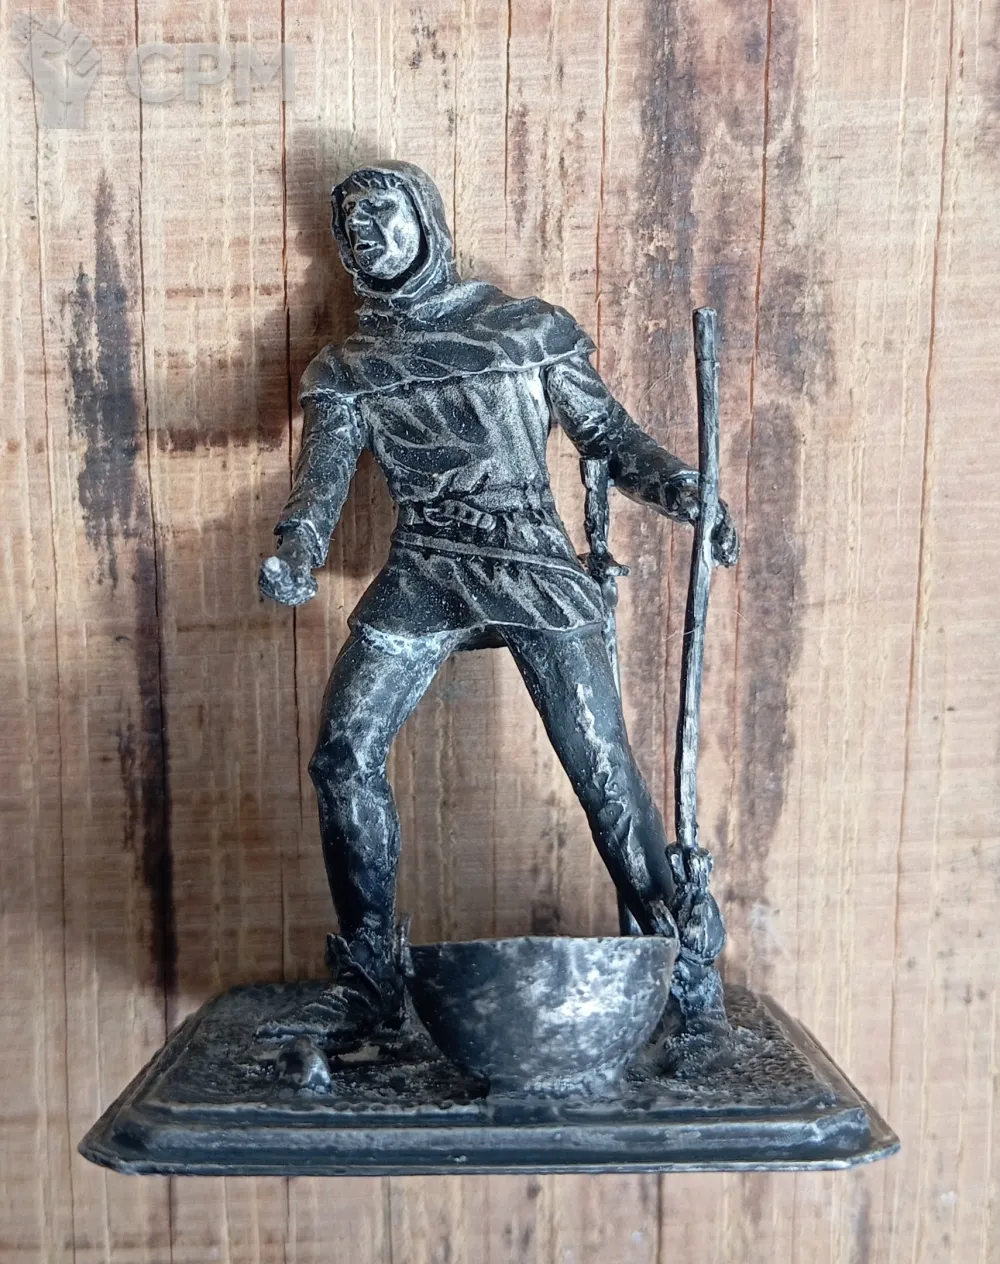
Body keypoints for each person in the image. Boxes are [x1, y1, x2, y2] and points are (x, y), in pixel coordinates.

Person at [259, 161, 738, 1046]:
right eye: (351, 227)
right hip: (425, 568)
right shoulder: (350, 369)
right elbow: (319, 486)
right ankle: (369, 982)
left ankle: (683, 971)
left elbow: (608, 437)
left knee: (601, 769)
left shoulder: (524, 331)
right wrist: (297, 550)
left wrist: (686, 492)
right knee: (342, 755)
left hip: (529, 559)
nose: (365, 234)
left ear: (428, 221)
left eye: (382, 214)